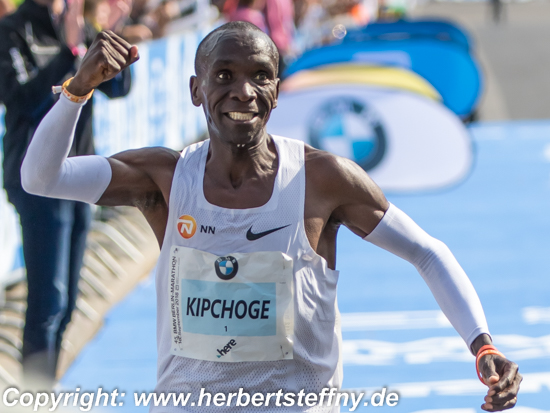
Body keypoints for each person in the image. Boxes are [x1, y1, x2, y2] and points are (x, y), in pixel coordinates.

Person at [21, 22, 521, 411]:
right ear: (196, 90)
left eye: (260, 75)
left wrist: (482, 346)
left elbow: (427, 254)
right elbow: (40, 178)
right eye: (224, 76)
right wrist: (77, 89)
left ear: (277, 92)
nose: (243, 91)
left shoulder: (324, 180)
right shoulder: (165, 177)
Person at [0, 0, 131, 386]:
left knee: (69, 302)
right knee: (48, 301)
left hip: (80, 177)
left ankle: (46, 387)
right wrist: (72, 54)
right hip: (37, 180)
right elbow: (21, 100)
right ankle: (34, 396)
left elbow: (119, 88)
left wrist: (116, 35)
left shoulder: (79, 23)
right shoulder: (14, 30)